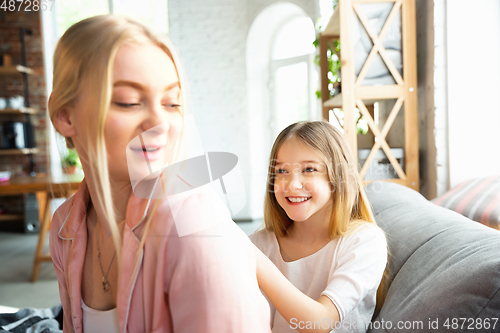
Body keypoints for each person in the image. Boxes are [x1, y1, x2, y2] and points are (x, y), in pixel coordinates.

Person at [48, 15, 271, 333]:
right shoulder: (65, 227)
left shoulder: (192, 225)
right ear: (65, 115)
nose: (160, 124)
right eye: (129, 102)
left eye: (171, 103)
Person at [250, 121, 388, 332]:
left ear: (338, 177)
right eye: (282, 171)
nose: (292, 184)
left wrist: (255, 260)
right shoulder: (260, 243)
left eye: (309, 169)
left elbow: (319, 323)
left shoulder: (364, 241)